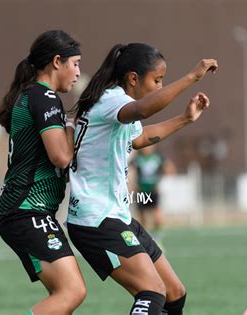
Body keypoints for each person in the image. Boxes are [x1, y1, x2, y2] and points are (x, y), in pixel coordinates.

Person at [67, 43, 217, 315]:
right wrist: (192, 77)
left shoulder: (117, 104)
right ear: (133, 78)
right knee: (152, 292)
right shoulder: (112, 100)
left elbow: (140, 138)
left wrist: (185, 119)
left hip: (116, 215)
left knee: (174, 294)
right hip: (96, 220)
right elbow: (145, 110)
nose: (160, 87)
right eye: (157, 80)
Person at [0, 30, 85, 315]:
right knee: (72, 291)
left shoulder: (33, 95)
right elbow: (60, 157)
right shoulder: (44, 98)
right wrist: (74, 129)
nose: (79, 72)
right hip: (25, 210)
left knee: (63, 297)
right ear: (57, 61)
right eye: (76, 63)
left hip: (27, 210)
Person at [130, 144, 176, 242]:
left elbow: (170, 169)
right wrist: (133, 184)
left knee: (157, 216)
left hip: (154, 191)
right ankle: (144, 238)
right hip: (141, 191)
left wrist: (162, 180)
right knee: (143, 217)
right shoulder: (138, 158)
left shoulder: (158, 157)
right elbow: (131, 171)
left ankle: (157, 237)